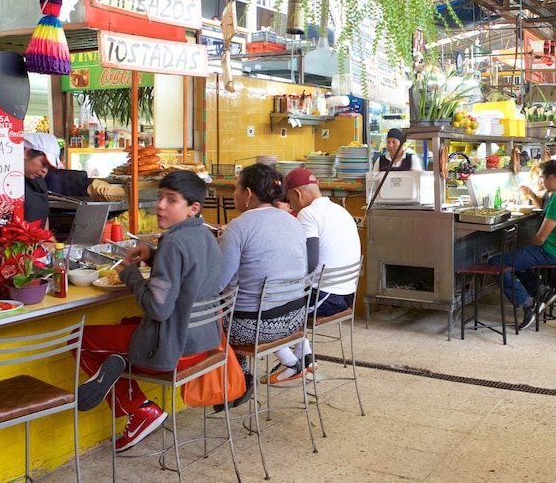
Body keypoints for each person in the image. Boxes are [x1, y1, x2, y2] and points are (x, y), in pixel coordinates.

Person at [75, 171, 225, 452]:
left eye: (171, 200)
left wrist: (130, 275)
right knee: (124, 325)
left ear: (193, 208)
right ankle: (120, 365)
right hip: (204, 343)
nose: (160, 206)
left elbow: (157, 308)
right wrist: (153, 255)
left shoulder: (173, 243)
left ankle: (139, 410)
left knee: (80, 338)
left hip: (175, 349)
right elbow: (190, 270)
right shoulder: (206, 236)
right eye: (159, 197)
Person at [263, 168, 362, 385]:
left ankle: (290, 362)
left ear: (297, 194)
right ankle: (305, 356)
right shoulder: (339, 210)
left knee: (264, 305)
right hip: (346, 294)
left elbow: (309, 262)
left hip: (325, 299)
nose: (292, 207)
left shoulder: (308, 214)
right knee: (286, 296)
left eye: (290, 201)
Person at [218, 164, 310, 380]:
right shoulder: (294, 221)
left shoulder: (238, 227)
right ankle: (288, 361)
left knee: (207, 322)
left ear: (248, 193)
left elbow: (218, 284)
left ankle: (241, 377)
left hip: (253, 326)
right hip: (296, 319)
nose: (234, 194)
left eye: (236, 188)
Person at [488, 160, 556, 331]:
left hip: (553, 252)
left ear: (552, 177)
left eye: (543, 179)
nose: (542, 183)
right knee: (518, 258)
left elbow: (540, 238)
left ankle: (528, 304)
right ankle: (541, 291)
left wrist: (529, 245)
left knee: (497, 262)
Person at [22, 133, 63, 227]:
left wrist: (48, 238)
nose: (45, 170)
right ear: (26, 152)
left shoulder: (39, 181)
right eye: (43, 163)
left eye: (48, 167)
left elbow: (44, 217)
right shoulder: (10, 182)